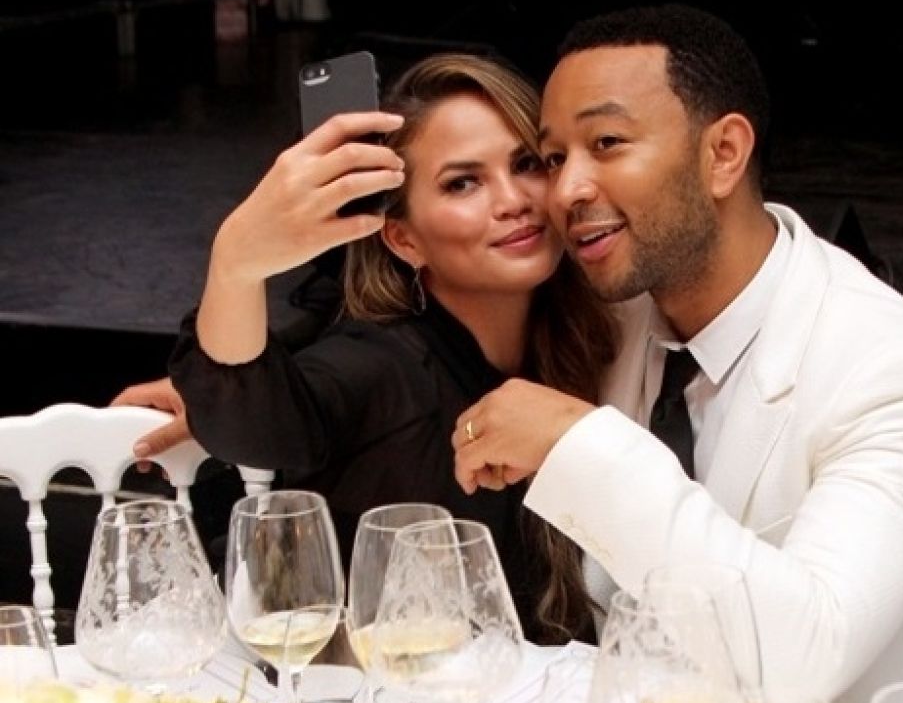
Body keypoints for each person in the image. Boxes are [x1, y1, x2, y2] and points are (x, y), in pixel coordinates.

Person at [450, 4, 903, 703]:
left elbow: (807, 659)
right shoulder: (608, 317)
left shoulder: (896, 368)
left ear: (723, 153)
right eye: (554, 159)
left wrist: (582, 442)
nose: (567, 189)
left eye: (606, 143)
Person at [152, 52, 618, 645]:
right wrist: (235, 262)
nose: (512, 200)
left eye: (526, 164)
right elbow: (255, 423)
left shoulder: (594, 335)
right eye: (463, 182)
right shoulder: (381, 365)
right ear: (403, 239)